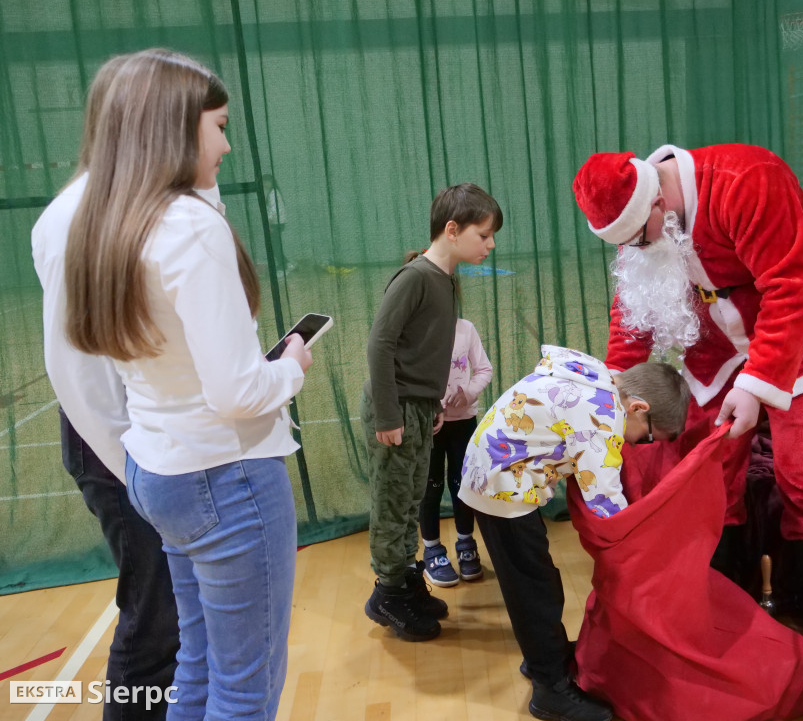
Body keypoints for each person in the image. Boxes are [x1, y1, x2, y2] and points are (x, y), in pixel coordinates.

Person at [62, 48, 313, 720]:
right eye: (219, 126)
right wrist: (290, 367)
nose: (227, 144)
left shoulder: (107, 223)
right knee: (244, 692)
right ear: (174, 127)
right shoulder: (189, 228)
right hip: (223, 475)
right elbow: (236, 393)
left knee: (199, 667)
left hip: (159, 469)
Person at [572, 144, 803, 658]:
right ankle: (729, 594)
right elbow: (631, 311)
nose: (635, 251)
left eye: (638, 239)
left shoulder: (748, 179)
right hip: (717, 347)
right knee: (708, 467)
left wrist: (758, 384)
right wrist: (611, 388)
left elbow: (793, 285)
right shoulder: (639, 224)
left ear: (657, 201)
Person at [31, 53, 180, 721]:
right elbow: (79, 374)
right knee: (154, 622)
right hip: (120, 451)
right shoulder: (76, 219)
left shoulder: (141, 203)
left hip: (154, 444)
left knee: (175, 620)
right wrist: (138, 475)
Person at [459, 346, 690, 721]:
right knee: (532, 588)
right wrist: (641, 539)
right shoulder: (600, 414)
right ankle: (550, 688)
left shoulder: (600, 381)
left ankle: (543, 657)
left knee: (540, 579)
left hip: (499, 476)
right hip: (499, 487)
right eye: (648, 438)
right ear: (638, 409)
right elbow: (603, 493)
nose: (639, 445)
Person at [362, 183, 503, 642]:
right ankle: (389, 593)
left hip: (421, 407)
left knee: (409, 500)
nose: (491, 244)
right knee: (392, 502)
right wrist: (388, 415)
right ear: (452, 229)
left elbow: (425, 351)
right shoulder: (417, 277)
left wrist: (432, 404)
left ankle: (404, 582)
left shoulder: (445, 280)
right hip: (396, 407)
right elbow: (380, 344)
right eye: (483, 235)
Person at [419, 316, 493, 587]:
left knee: (464, 483)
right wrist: (429, 407)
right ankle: (432, 549)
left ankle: (466, 543)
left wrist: (468, 392)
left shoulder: (466, 329)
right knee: (431, 485)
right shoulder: (416, 329)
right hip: (429, 424)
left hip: (464, 422)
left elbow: (484, 369)